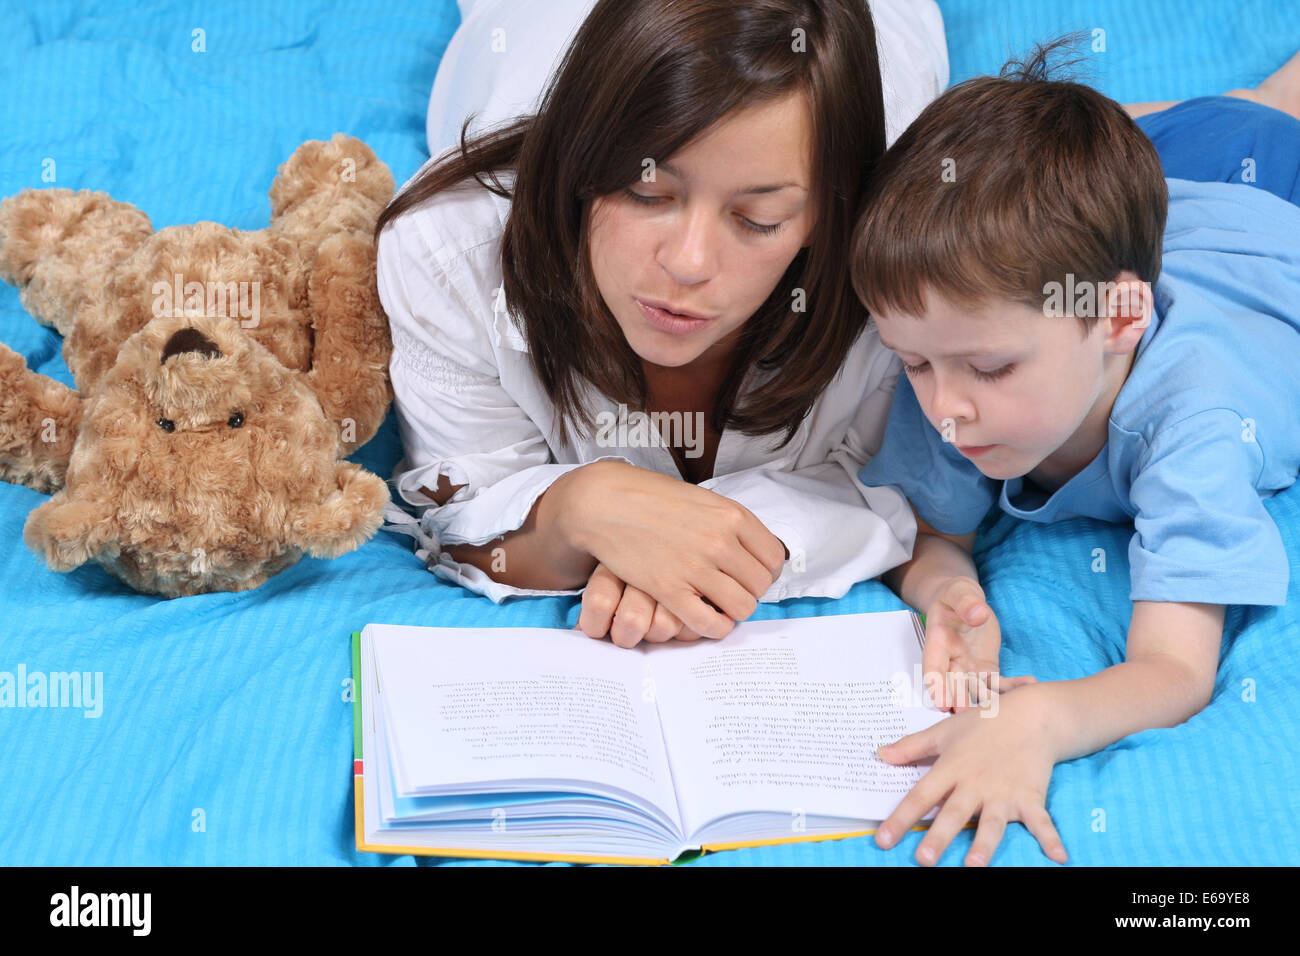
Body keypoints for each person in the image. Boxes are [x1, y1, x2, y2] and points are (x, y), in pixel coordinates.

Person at [375, 0, 951, 648]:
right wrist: (575, 511)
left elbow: (905, 489)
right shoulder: (448, 250)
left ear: (826, 213)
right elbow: (454, 516)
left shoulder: (905, 267)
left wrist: (698, 545)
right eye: (647, 195)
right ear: (578, 165)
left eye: (759, 219)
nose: (689, 263)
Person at [851, 41, 1300, 866]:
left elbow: (1175, 670)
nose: (944, 405)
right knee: (1201, 123)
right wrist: (945, 587)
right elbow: (932, 532)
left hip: (1278, 201)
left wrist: (1038, 719)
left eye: (989, 369)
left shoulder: (1195, 424)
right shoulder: (958, 344)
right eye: (912, 362)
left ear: (1121, 322)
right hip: (1170, 172)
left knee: (1269, 116)